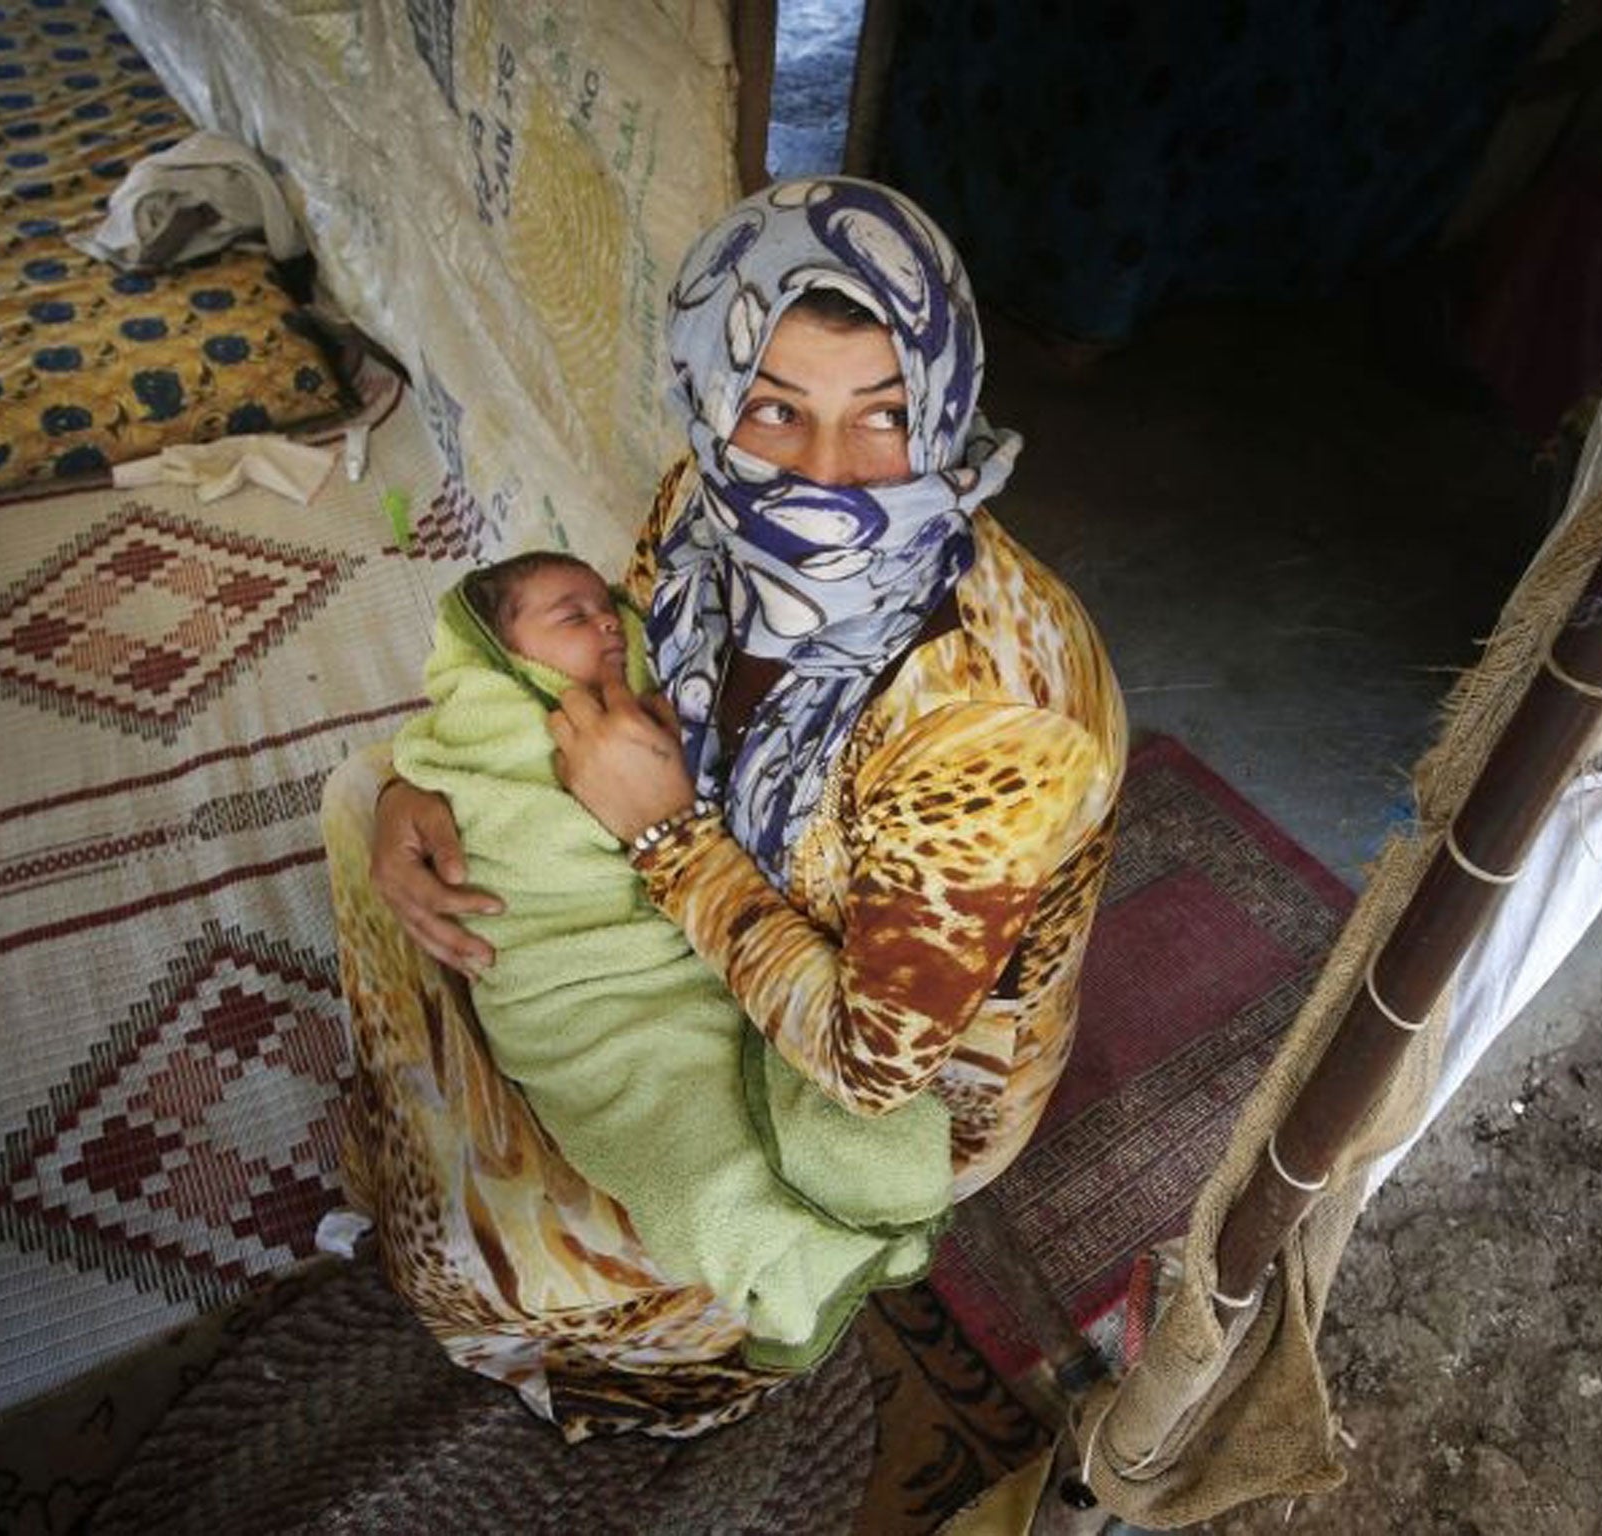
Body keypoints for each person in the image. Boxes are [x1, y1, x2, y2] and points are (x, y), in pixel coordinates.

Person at [331, 176, 1126, 1438]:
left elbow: (876, 1068)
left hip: (897, 1079)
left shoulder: (994, 724)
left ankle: (717, 1343)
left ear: (952, 403)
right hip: (698, 915)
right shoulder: (702, 512)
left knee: (509, 1255)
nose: (827, 479)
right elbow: (612, 663)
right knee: (364, 806)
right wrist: (422, 789)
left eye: (887, 416)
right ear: (709, 399)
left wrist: (664, 839)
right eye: (773, 409)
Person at [388, 550, 952, 1372]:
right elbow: (491, 817)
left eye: (606, 606)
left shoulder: (670, 686)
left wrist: (664, 799)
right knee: (691, 1169)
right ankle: (782, 1281)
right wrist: (402, 795)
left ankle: (860, 1218)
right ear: (496, 655)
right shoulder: (486, 742)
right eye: (569, 617)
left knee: (792, 1104)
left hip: (686, 956)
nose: (607, 627)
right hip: (579, 992)